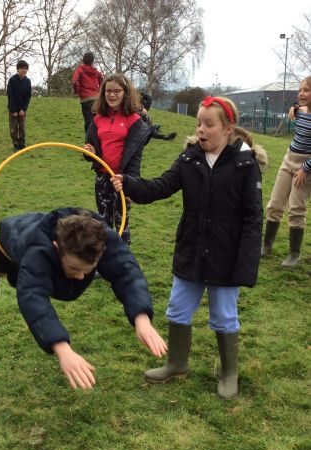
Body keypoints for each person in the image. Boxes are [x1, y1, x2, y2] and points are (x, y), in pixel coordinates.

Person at [111, 96, 268, 399]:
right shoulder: (189, 159)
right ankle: (177, 363)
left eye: (209, 124)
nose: (201, 130)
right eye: (198, 123)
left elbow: (253, 219)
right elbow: (160, 186)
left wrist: (246, 266)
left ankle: (229, 372)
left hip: (226, 255)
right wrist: (129, 183)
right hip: (191, 250)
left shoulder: (245, 164)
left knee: (224, 315)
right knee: (178, 308)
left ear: (228, 128)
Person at [0, 208, 167, 389]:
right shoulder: (37, 250)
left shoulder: (102, 237)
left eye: (88, 270)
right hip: (15, 238)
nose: (81, 277)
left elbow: (126, 271)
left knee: (31, 276)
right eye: (75, 268)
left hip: (49, 251)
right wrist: (62, 349)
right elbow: (33, 296)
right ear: (56, 247)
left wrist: (142, 319)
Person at [83, 74, 152, 247]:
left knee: (122, 224)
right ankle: (103, 258)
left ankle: (123, 258)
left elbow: (135, 157)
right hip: (102, 178)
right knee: (103, 224)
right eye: (108, 91)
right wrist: (90, 152)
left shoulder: (134, 121)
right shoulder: (98, 119)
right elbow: (90, 148)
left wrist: (131, 185)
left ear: (125, 93)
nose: (112, 95)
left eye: (117, 91)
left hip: (122, 180)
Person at [261, 76, 311, 266]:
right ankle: (267, 245)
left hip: (305, 169)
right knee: (274, 203)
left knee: (296, 208)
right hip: (288, 160)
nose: (301, 94)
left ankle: (294, 254)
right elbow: (297, 106)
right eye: (300, 90)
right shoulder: (300, 111)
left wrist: (305, 170)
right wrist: (294, 106)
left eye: (306, 90)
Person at [71, 52, 104, 135]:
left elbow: (74, 81)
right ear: (92, 61)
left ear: (83, 60)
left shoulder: (80, 70)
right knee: (97, 120)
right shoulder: (96, 72)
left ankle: (89, 140)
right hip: (96, 98)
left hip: (86, 98)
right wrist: (99, 92)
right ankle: (98, 138)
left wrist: (77, 91)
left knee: (88, 121)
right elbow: (103, 81)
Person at [7, 60, 31, 152]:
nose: (24, 70)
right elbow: (10, 96)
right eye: (22, 68)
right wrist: (13, 110)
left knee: (22, 128)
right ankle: (16, 145)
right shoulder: (12, 80)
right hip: (13, 109)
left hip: (22, 110)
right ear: (18, 69)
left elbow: (28, 97)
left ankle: (22, 144)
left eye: (26, 69)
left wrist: (23, 109)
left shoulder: (27, 81)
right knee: (13, 129)